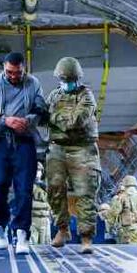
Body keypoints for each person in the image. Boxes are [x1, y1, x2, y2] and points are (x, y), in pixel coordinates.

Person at [0, 52, 47, 255]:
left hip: (25, 142)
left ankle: (21, 233)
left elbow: (40, 107)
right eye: (9, 72)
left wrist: (28, 120)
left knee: (24, 190)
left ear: (23, 69)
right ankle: (0, 228)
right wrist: (5, 121)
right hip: (0, 141)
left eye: (17, 73)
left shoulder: (33, 83)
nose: (13, 76)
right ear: (4, 68)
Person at [44, 57, 101, 254]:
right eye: (63, 79)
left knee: (85, 193)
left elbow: (75, 121)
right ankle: (62, 230)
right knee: (54, 190)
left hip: (82, 149)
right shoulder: (53, 96)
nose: (67, 83)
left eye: (71, 79)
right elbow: (42, 117)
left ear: (78, 78)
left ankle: (86, 237)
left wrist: (50, 116)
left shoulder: (87, 96)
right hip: (57, 148)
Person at [108, 175, 137, 244]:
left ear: (125, 183)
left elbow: (113, 213)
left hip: (129, 232)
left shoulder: (121, 197)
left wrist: (110, 228)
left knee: (130, 253)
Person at [30, 168, 51, 244]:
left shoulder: (45, 186)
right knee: (32, 244)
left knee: (45, 245)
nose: (37, 172)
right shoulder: (27, 185)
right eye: (36, 169)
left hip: (45, 220)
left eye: (39, 170)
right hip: (32, 221)